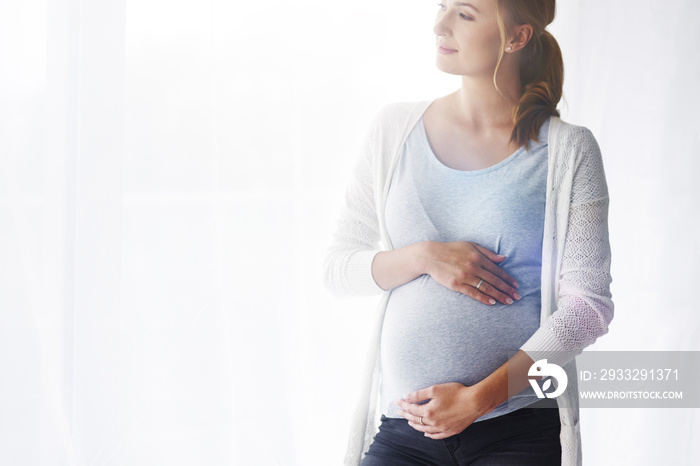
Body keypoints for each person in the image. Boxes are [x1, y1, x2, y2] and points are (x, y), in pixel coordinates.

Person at [324, 0, 614, 464]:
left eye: (464, 13)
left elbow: (588, 309)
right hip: (404, 430)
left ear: (517, 37)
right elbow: (339, 270)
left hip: (516, 430)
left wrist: (480, 399)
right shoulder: (393, 131)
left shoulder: (568, 151)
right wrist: (425, 256)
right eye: (442, 7)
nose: (439, 24)